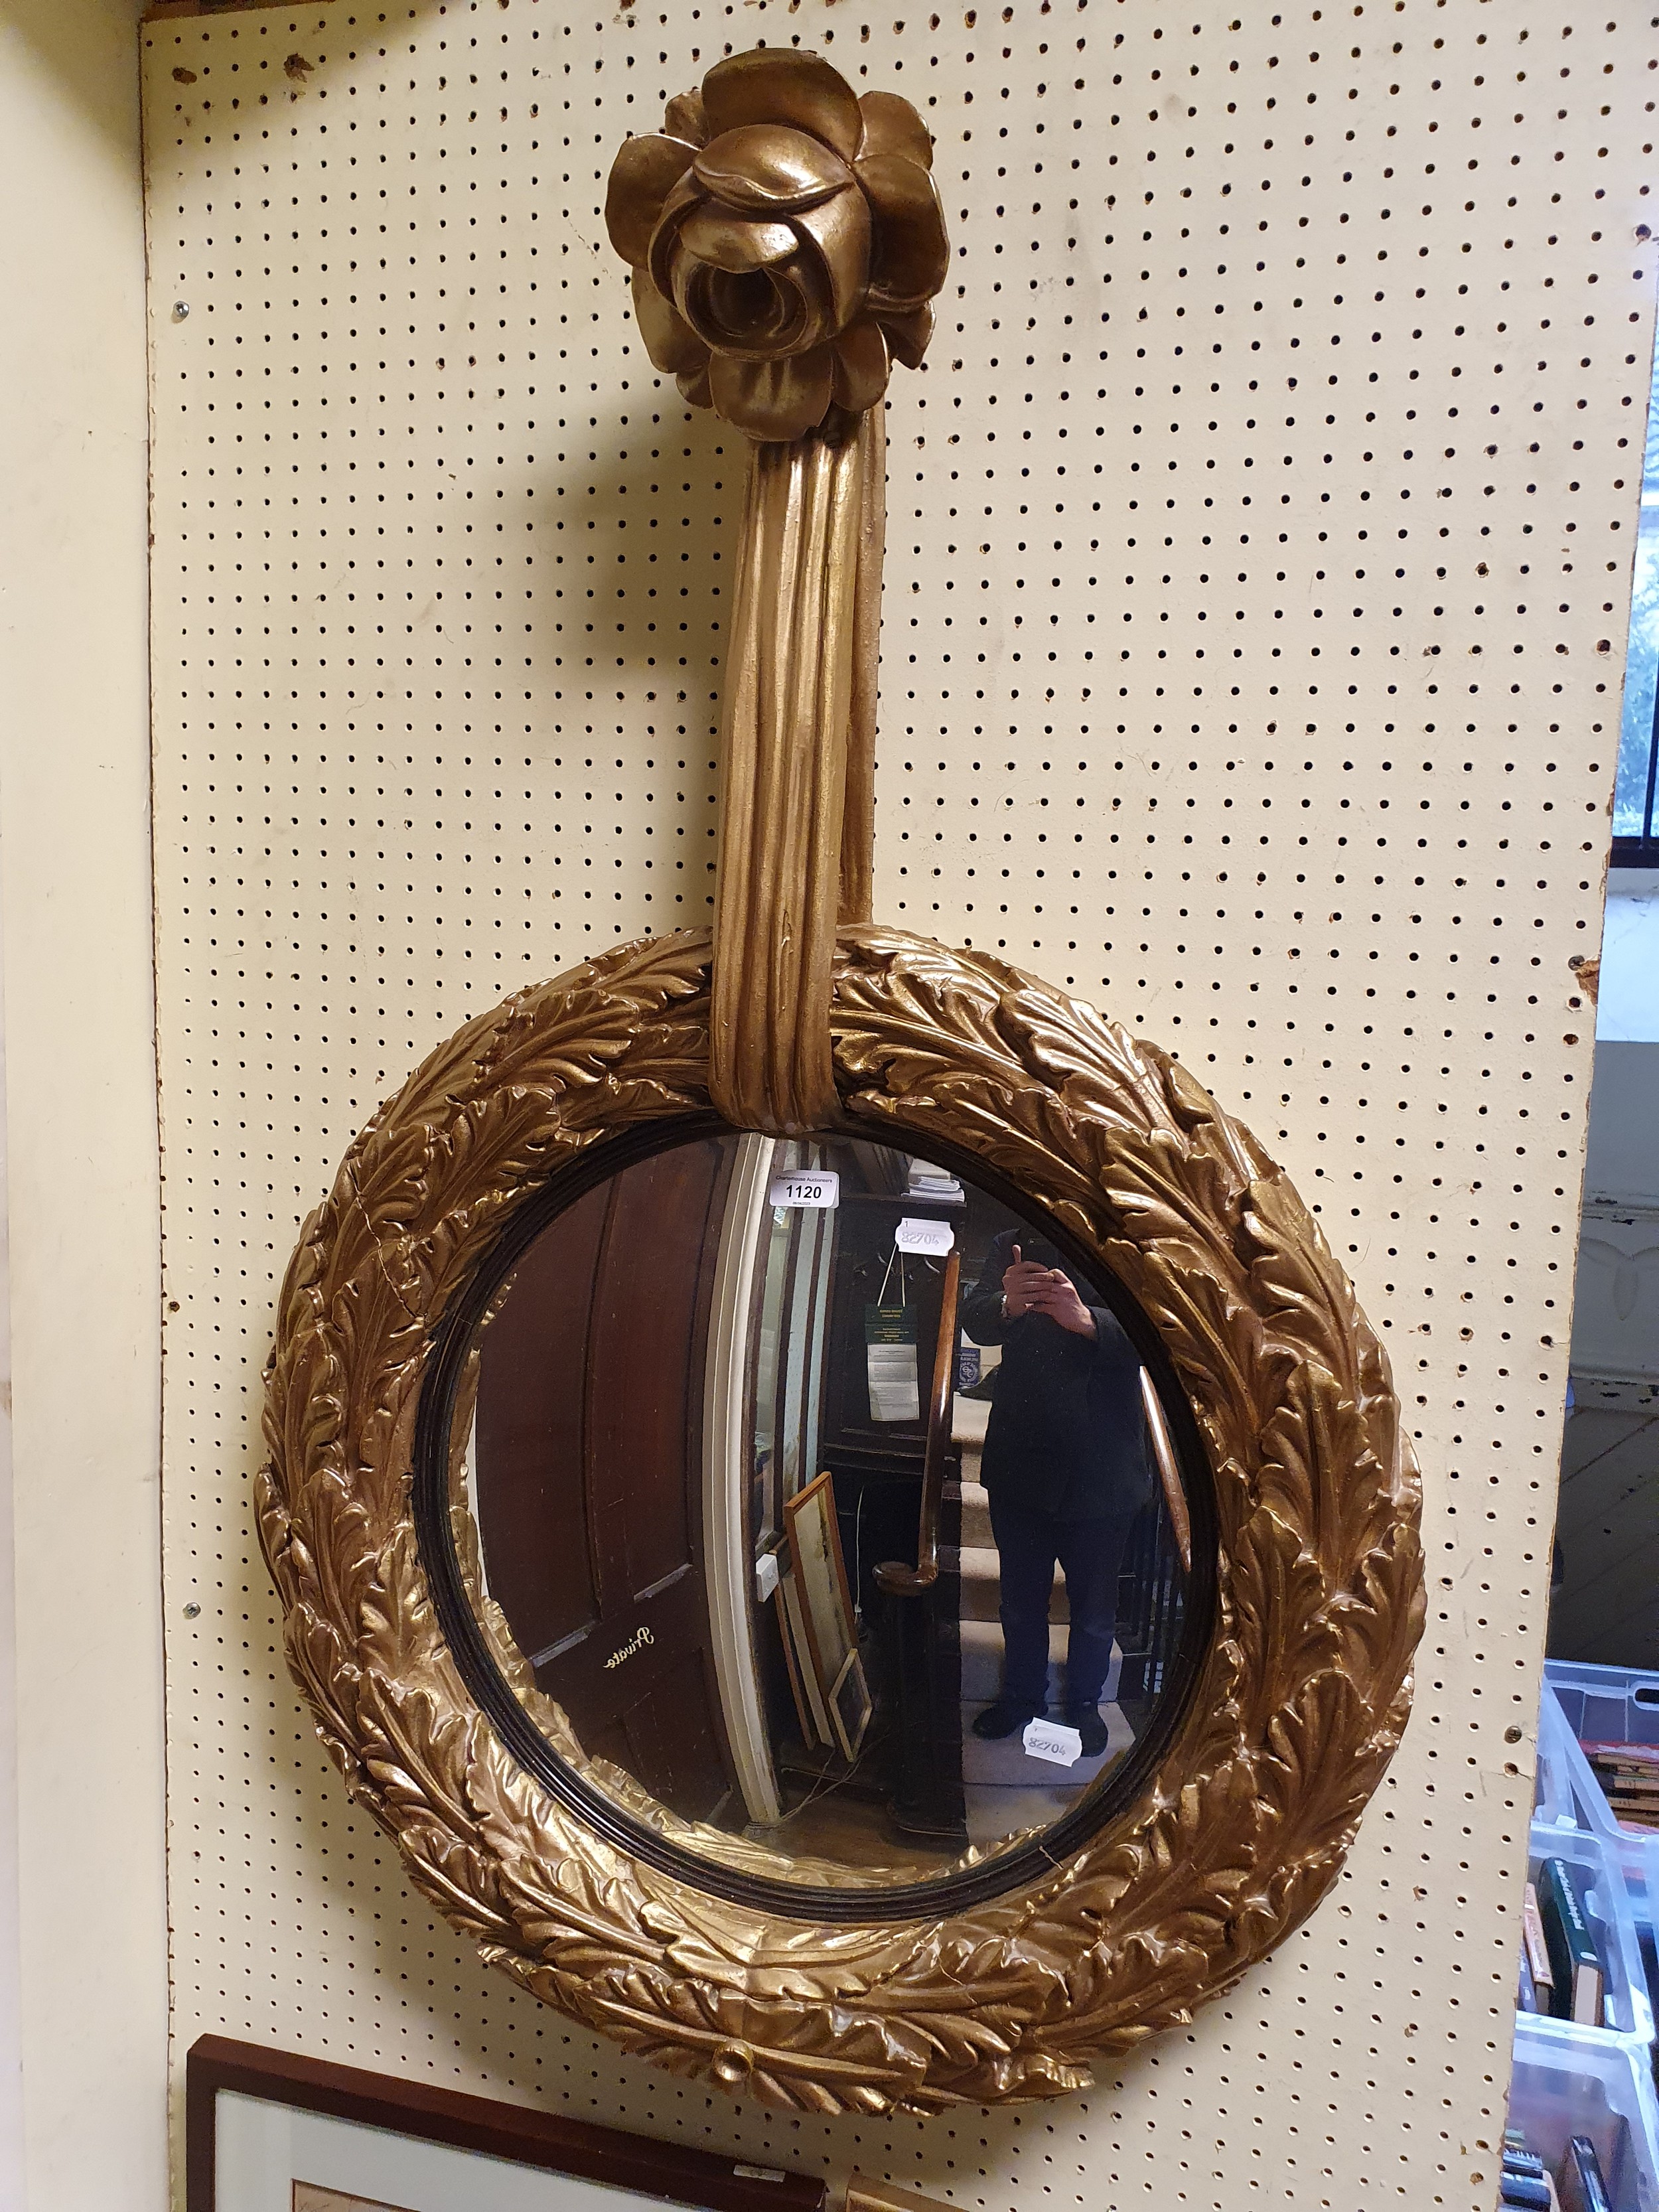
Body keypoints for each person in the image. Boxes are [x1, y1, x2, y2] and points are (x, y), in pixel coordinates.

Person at [959, 1231, 1153, 1758]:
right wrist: (1006, 1304)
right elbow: (973, 1315)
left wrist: (1088, 1321)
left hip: (1103, 1466)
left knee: (1094, 1608)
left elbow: (1165, 1335)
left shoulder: (1136, 1242)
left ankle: (1084, 1704)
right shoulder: (1012, 1241)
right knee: (1020, 1601)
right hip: (1020, 1461)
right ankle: (1023, 1698)